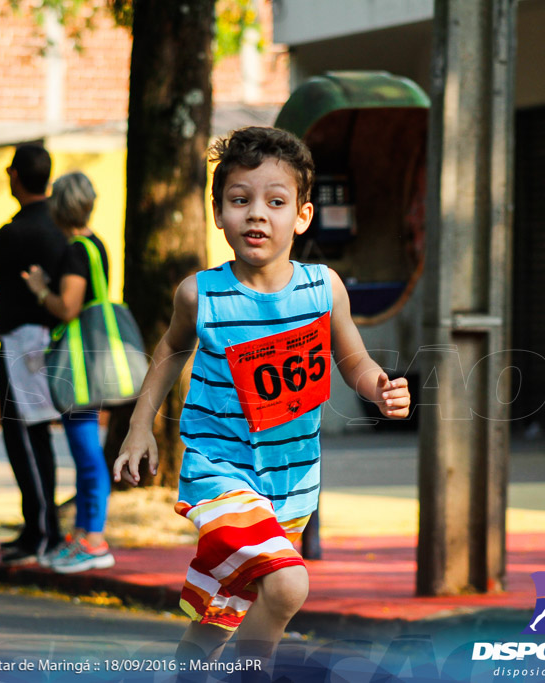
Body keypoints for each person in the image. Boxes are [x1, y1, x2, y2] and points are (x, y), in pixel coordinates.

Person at [113, 127, 411, 676]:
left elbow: (354, 361)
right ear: (218, 212)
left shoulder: (324, 288)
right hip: (218, 468)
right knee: (289, 582)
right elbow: (169, 351)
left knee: (232, 608)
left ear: (301, 216)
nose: (257, 215)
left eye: (275, 202)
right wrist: (139, 427)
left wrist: (379, 388)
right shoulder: (199, 294)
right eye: (240, 200)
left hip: (292, 476)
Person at [0, 144, 66, 565]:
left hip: (23, 348)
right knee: (38, 437)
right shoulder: (61, 229)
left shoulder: (15, 232)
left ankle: (42, 531)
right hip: (53, 342)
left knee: (25, 438)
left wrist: (3, 270)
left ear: (16, 176)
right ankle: (39, 526)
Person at [21, 171, 114, 574]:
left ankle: (93, 539)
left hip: (78, 366)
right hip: (89, 359)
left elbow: (68, 307)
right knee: (85, 450)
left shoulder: (77, 250)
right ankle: (82, 536)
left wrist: (42, 288)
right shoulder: (96, 245)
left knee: (86, 452)